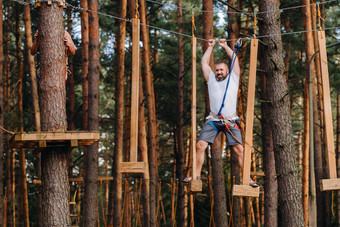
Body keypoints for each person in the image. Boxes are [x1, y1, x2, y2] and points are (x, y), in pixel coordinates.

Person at [183, 38, 259, 187]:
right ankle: (196, 176)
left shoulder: (233, 78)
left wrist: (225, 46)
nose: (218, 72)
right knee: (200, 145)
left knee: (239, 149)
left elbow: (235, 60)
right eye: (217, 70)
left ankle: (247, 179)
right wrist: (210, 47)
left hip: (230, 120)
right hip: (213, 119)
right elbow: (204, 63)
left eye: (221, 70)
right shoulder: (211, 78)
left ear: (227, 71)